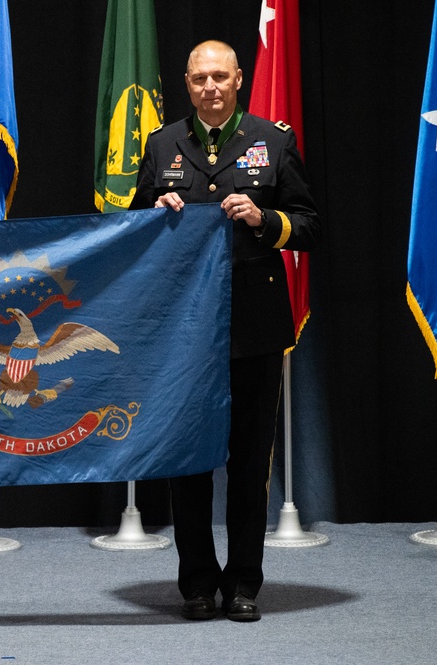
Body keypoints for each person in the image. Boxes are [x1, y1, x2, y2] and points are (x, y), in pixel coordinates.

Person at [130, 40, 321, 622]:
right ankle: (195, 585)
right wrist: (153, 210)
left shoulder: (274, 140)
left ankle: (242, 584)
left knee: (248, 462)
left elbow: (310, 225)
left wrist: (267, 219)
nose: (210, 87)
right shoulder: (162, 144)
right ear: (186, 84)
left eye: (220, 77)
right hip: (184, 334)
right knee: (187, 461)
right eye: (199, 79)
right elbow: (133, 228)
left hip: (254, 329)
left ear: (238, 79)